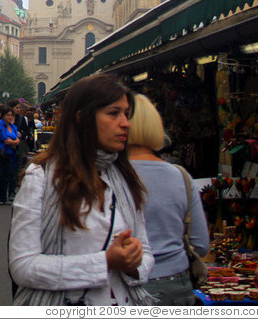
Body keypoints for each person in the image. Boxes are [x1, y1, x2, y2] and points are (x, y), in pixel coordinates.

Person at [9, 73, 154, 306]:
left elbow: (146, 253)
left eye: (126, 114)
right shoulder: (42, 178)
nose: (125, 123)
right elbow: (24, 267)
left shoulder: (125, 178)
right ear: (81, 118)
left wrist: (133, 262)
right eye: (113, 113)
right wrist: (105, 262)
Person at [128, 93, 209, 305]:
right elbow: (200, 244)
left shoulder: (106, 176)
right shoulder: (181, 176)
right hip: (175, 285)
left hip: (124, 285)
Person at [0, 105, 18, 205]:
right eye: (8, 115)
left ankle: (3, 197)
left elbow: (17, 138)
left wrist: (14, 142)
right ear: (3, 116)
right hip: (0, 153)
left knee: (6, 176)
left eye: (11, 115)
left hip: (10, 153)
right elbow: (0, 138)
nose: (10, 117)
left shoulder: (12, 126)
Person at [7, 98, 31, 197]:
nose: (18, 109)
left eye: (19, 108)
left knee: (16, 169)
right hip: (7, 146)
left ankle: (12, 191)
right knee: (8, 170)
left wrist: (22, 134)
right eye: (17, 108)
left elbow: (27, 132)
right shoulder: (6, 118)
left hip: (18, 147)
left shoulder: (21, 119)